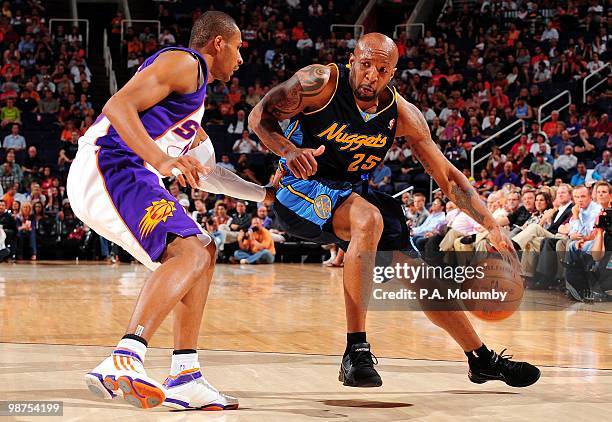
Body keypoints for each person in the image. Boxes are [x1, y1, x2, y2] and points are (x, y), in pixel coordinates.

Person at [250, 33, 539, 389]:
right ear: (353, 60)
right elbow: (258, 115)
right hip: (300, 190)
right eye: (366, 65)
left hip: (353, 194)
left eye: (382, 69)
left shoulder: (401, 114)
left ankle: (479, 358)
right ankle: (355, 350)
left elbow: (447, 176)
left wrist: (491, 224)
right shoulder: (319, 83)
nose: (372, 74)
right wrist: (287, 150)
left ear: (393, 73)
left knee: (420, 275)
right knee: (368, 218)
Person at [67, 11, 274, 411]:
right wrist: (161, 161)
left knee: (204, 250)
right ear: (218, 43)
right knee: (192, 250)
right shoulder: (187, 63)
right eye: (239, 48)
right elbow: (117, 105)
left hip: (129, 173)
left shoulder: (189, 111)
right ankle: (125, 356)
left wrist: (265, 194)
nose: (242, 59)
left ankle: (185, 374)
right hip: (112, 164)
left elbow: (208, 175)